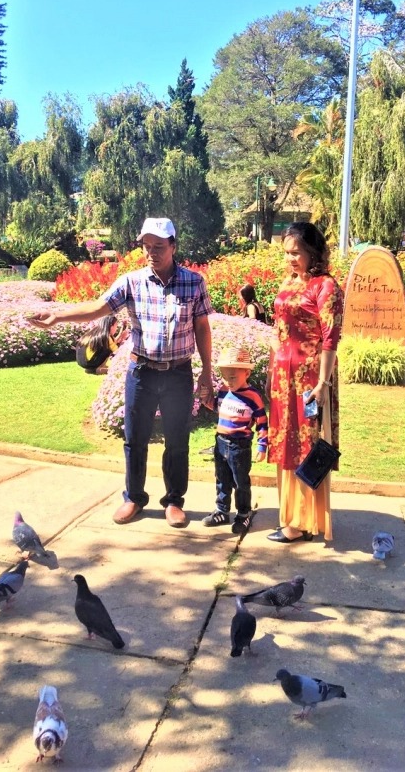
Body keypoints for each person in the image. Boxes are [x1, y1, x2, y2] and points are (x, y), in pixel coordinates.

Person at [27, 218, 213, 529]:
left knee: (177, 440)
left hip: (178, 373)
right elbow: (98, 308)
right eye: (147, 246)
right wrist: (57, 316)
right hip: (141, 372)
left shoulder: (194, 282)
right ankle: (134, 498)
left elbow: (202, 327)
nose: (152, 252)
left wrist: (207, 371)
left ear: (173, 246)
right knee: (134, 438)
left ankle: (174, 501)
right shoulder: (131, 282)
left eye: (159, 246)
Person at [266, 222, 343, 544]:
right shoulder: (289, 281)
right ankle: (292, 517)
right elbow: (279, 325)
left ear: (313, 251)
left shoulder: (326, 286)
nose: (290, 259)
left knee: (308, 446)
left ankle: (304, 521)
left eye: (296, 253)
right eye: (287, 253)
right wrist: (271, 366)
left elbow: (330, 338)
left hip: (310, 378)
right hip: (283, 379)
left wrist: (323, 382)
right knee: (287, 445)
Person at [201, 345, 268, 536]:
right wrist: (207, 401)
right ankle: (222, 510)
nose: (228, 382)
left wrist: (262, 446)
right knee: (221, 478)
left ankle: (243, 513)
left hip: (240, 446)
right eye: (224, 377)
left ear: (246, 373)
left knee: (240, 482)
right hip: (220, 442)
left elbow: (262, 422)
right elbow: (219, 408)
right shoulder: (224, 390)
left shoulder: (253, 397)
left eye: (233, 377)